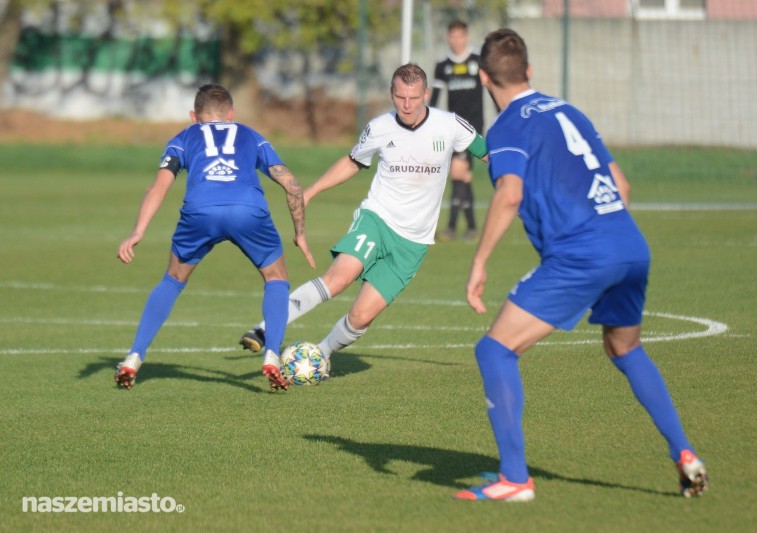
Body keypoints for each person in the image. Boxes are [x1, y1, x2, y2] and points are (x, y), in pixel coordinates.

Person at [453, 29, 708, 501]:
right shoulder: (569, 109)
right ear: (529, 71)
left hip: (582, 252)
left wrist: (479, 262)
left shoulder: (506, 128)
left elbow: (510, 194)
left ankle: (514, 480)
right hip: (629, 243)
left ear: (485, 77)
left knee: (495, 351)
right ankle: (685, 454)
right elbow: (622, 186)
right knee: (625, 349)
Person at [238, 63, 487, 361]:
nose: (406, 106)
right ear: (391, 94)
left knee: (361, 317)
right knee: (339, 278)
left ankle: (321, 354)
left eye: (414, 98)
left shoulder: (450, 125)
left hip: (414, 242)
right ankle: (265, 329)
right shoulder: (380, 127)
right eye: (399, 97)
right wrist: (312, 191)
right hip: (377, 219)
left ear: (427, 94)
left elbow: (490, 155)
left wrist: (520, 190)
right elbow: (353, 161)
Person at [115, 84, 315, 391]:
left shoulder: (183, 138)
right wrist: (300, 233)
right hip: (248, 210)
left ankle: (134, 356)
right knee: (276, 277)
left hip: (200, 212)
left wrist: (138, 231)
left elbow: (157, 188)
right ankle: (272, 352)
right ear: (231, 114)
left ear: (194, 116)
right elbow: (292, 185)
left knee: (172, 279)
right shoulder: (250, 135)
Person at [430, 20, 487, 242]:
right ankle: (471, 227)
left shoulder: (477, 61)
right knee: (464, 175)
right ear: (448, 37)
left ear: (467, 37)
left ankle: (451, 227)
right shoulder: (443, 65)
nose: (456, 41)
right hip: (451, 127)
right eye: (452, 36)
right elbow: (435, 98)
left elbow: (491, 89)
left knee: (456, 172)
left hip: (473, 128)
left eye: (460, 36)